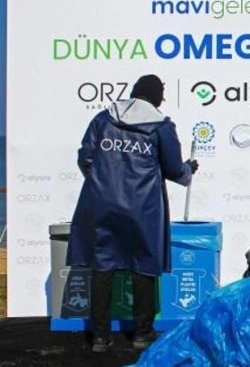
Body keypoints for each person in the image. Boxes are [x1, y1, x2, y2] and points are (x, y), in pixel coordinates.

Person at [67, 74, 199, 353]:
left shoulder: (104, 119)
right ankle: (142, 334)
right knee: (144, 266)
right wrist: (189, 169)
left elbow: (85, 157)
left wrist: (103, 184)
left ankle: (99, 337)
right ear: (156, 96)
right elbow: (173, 169)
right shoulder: (161, 126)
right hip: (143, 207)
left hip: (101, 203)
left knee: (102, 264)